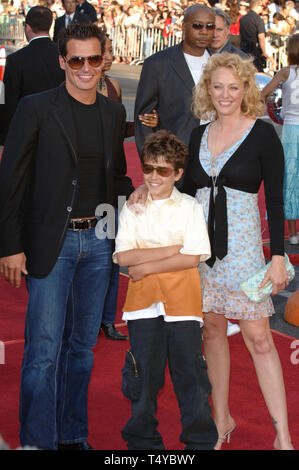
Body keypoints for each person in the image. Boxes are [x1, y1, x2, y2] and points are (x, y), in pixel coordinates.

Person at [0, 23, 134, 450]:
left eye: (94, 59)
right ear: (62, 61)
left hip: (97, 244)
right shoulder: (36, 108)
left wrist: (117, 234)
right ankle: (39, 441)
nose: (85, 68)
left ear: (104, 59)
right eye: (76, 59)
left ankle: (73, 436)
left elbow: (113, 180)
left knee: (81, 350)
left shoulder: (114, 113)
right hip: (50, 244)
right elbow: (11, 181)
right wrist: (9, 245)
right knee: (43, 352)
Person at [180, 52, 293, 450]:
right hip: (203, 255)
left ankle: (282, 436)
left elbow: (276, 202)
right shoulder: (198, 134)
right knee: (211, 330)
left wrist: (277, 257)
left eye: (233, 86)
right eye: (217, 86)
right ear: (207, 90)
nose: (225, 94)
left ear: (245, 89)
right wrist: (147, 191)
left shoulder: (262, 135)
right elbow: (185, 191)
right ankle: (221, 419)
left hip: (246, 255)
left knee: (259, 337)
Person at [114, 129, 218, 450]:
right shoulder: (133, 207)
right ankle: (142, 443)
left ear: (178, 173)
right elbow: (124, 256)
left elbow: (194, 257)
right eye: (148, 168)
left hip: (184, 307)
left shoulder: (190, 208)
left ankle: (200, 443)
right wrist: (170, 250)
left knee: (191, 379)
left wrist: (145, 267)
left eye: (163, 170)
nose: (154, 176)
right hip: (141, 306)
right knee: (143, 378)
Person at [97, 34, 158, 340]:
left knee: (112, 251)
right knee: (91, 256)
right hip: (87, 186)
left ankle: (107, 318)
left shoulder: (113, 87)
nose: (108, 57)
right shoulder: (73, 89)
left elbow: (120, 130)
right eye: (103, 52)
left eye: (108, 52)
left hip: (115, 185)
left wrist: (148, 123)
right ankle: (87, 315)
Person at [134, 4, 216, 155]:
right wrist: (152, 161)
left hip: (215, 157)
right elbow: (143, 120)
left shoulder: (221, 64)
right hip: (175, 158)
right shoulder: (158, 64)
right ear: (184, 27)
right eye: (197, 26)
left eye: (209, 26)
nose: (204, 31)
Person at [0, 6, 65, 145]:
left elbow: (8, 102)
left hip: (26, 131)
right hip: (60, 128)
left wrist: (5, 138)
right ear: (50, 25)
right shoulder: (63, 55)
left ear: (27, 28)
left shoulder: (15, 60)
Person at [261, 33, 299, 245]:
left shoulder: (286, 72)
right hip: (292, 128)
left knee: (291, 178)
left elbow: (263, 93)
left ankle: (292, 233)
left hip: (292, 131)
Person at [239, 0, 273, 71]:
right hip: (254, 50)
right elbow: (261, 37)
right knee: (257, 72)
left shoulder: (242, 19)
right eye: (261, 6)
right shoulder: (258, 19)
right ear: (257, 6)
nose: (262, 8)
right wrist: (264, 52)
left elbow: (240, 34)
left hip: (243, 49)